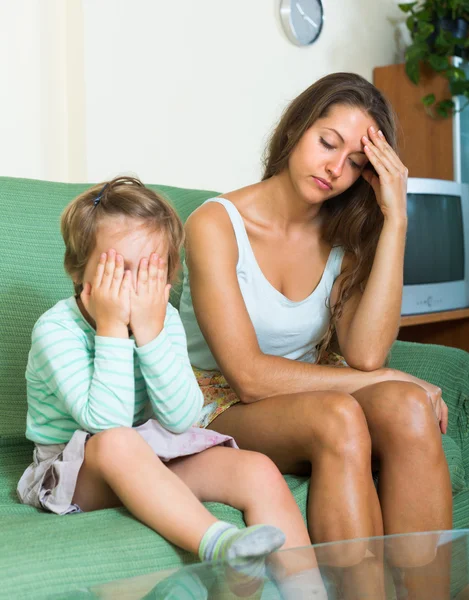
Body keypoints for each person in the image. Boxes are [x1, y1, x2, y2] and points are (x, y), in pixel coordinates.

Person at [179, 72, 453, 568]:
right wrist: (385, 376)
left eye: (355, 162)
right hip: (216, 404)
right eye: (327, 142)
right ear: (295, 130)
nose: (335, 168)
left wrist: (396, 220)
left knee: (410, 407)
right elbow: (248, 376)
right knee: (339, 413)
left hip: (309, 397)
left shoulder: (343, 236)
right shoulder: (214, 224)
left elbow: (367, 353)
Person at [16, 177, 326, 597]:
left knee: (257, 470)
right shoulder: (56, 330)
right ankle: (219, 544)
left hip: (149, 451)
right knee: (116, 443)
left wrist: (151, 334)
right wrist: (111, 329)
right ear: (79, 269)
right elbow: (106, 423)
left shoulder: (162, 320)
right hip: (72, 470)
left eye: (149, 271)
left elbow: (181, 418)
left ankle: (310, 592)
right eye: (118, 269)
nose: (135, 287)